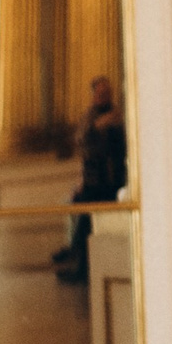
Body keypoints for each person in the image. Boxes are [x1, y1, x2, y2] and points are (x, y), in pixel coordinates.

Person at [51, 74, 126, 286]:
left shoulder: (117, 115)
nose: (105, 96)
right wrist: (98, 125)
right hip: (94, 179)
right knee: (83, 218)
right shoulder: (90, 116)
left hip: (112, 180)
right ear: (94, 96)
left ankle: (77, 258)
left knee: (91, 224)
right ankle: (77, 259)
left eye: (107, 93)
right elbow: (82, 141)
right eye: (101, 93)